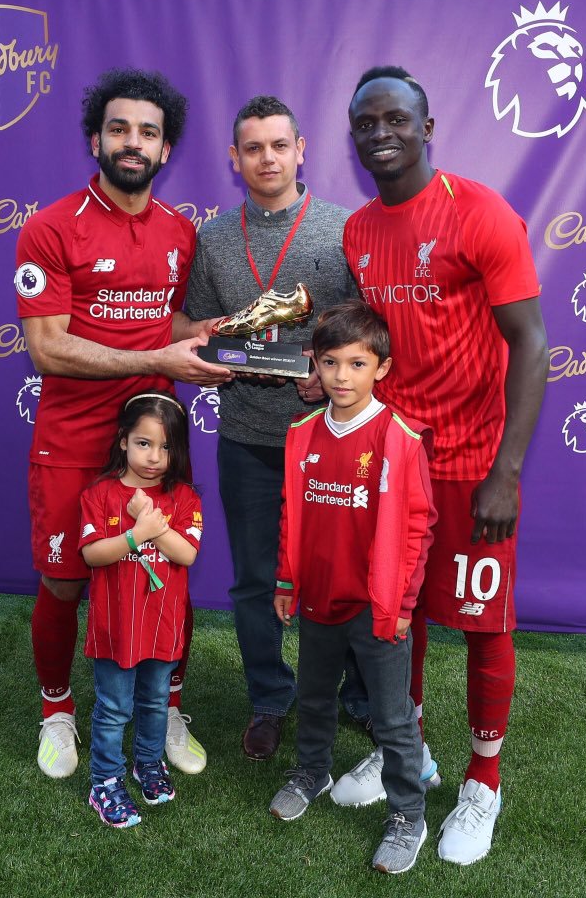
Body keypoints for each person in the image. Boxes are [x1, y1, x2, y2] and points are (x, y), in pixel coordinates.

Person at [340, 66, 549, 865]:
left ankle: (483, 781)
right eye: (366, 123)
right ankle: (409, 752)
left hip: (471, 466)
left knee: (483, 627)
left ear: (428, 129)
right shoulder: (360, 231)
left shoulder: (481, 213)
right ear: (353, 136)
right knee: (397, 616)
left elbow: (531, 343)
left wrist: (508, 470)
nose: (381, 132)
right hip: (394, 463)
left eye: (396, 119)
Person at [15, 67, 231, 782]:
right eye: (118, 129)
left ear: (166, 150)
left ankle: (165, 709)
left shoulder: (178, 231)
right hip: (74, 439)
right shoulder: (49, 228)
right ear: (94, 139)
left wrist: (209, 337)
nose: (132, 143)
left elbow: (169, 323)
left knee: (165, 571)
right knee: (66, 581)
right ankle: (56, 712)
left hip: (155, 443)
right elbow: (47, 346)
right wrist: (157, 353)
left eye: (148, 132)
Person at [181, 95, 358, 760]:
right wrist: (210, 346)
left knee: (338, 576)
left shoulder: (342, 231)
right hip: (249, 439)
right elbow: (190, 323)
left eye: (279, 145)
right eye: (252, 148)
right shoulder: (214, 239)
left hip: (333, 437)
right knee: (255, 580)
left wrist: (330, 367)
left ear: (301, 149)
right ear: (234, 158)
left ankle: (352, 694)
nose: (267, 158)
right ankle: (268, 698)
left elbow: (370, 329)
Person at [270, 300, 436, 875]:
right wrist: (287, 579)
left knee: (392, 717)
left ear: (381, 369)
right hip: (318, 598)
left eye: (357, 364)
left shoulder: (399, 438)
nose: (342, 377)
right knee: (314, 697)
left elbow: (418, 527)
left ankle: (407, 815)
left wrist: (404, 604)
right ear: (314, 365)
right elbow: (293, 513)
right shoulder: (302, 434)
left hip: (378, 607)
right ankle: (311, 773)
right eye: (331, 363)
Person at [80, 391, 202, 828]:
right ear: (122, 441)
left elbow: (186, 555)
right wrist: (136, 534)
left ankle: (148, 763)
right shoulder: (99, 494)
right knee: (113, 708)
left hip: (162, 628)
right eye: (144, 443)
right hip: (115, 629)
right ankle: (105, 781)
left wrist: (153, 526)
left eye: (166, 446)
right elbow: (93, 555)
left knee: (154, 702)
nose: (154, 456)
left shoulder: (185, 497)